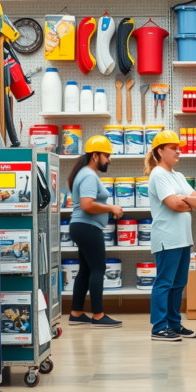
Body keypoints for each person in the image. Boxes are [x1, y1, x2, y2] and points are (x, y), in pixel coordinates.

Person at [144, 130, 196, 341]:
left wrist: (184, 199)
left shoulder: (177, 176)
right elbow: (174, 204)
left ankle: (174, 324)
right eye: (173, 148)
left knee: (178, 284)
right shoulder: (158, 174)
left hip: (182, 239)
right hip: (167, 238)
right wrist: (186, 201)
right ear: (160, 151)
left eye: (179, 147)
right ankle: (159, 327)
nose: (179, 151)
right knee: (164, 283)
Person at [67, 135, 125, 329]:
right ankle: (98, 315)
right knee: (98, 269)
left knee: (85, 270)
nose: (109, 159)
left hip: (82, 227)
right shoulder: (89, 175)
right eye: (106, 155)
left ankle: (76, 313)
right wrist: (111, 208)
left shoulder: (84, 173)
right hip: (88, 227)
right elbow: (87, 204)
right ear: (95, 155)